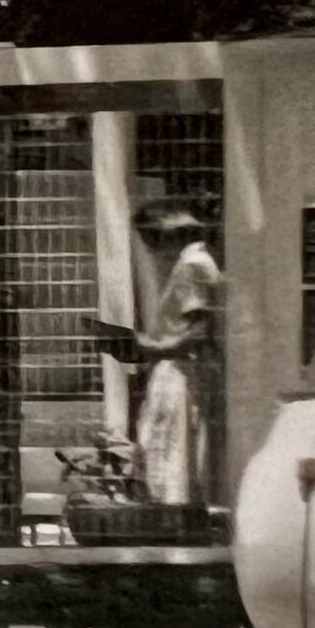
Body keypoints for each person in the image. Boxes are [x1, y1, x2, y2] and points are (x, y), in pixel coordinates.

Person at [105, 197, 223, 506]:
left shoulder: (192, 266)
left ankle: (176, 525)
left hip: (180, 373)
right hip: (184, 371)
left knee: (171, 459)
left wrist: (148, 346)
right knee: (174, 455)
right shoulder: (198, 262)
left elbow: (199, 332)